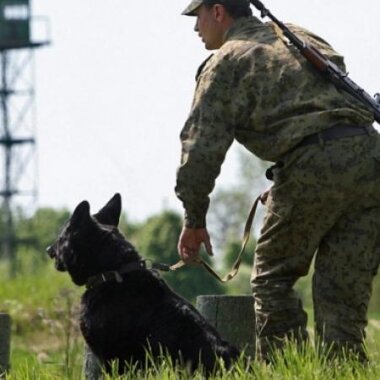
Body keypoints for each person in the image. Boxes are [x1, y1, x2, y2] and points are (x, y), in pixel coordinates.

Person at [175, 0, 380, 362]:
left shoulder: (225, 62)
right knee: (342, 293)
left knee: (272, 280)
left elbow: (201, 149)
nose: (195, 28)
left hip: (314, 163)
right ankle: (344, 370)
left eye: (198, 16)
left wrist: (193, 218)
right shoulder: (298, 35)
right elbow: (332, 91)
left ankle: (290, 368)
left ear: (219, 11)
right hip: (368, 159)